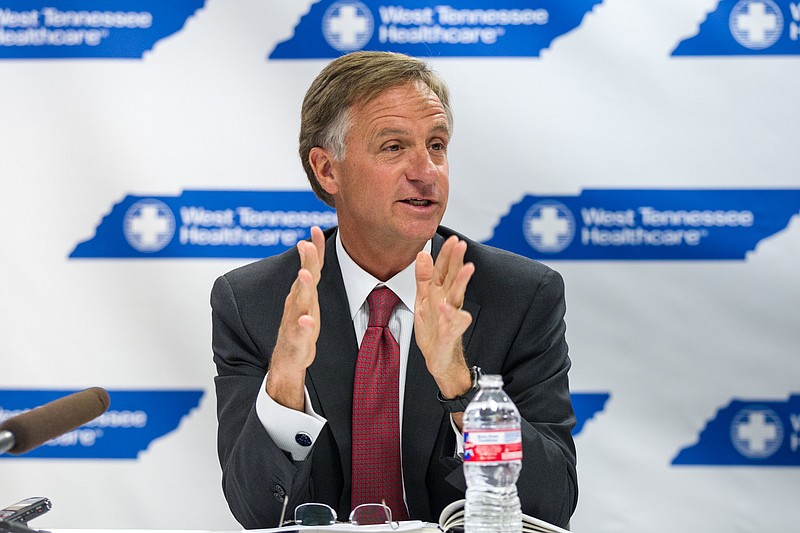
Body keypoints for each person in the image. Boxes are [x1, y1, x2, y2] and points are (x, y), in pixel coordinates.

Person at [212, 51, 577, 529]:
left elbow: (550, 506)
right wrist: (283, 386)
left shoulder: (521, 296)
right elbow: (257, 514)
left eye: (437, 145)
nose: (426, 171)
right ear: (327, 170)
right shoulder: (253, 302)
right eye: (394, 147)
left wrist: (460, 388)